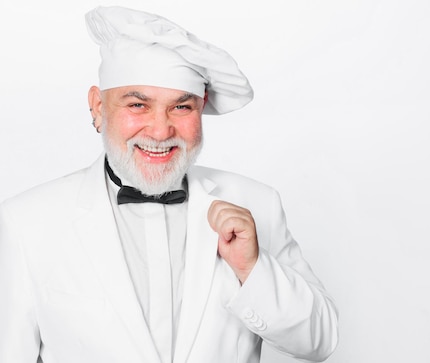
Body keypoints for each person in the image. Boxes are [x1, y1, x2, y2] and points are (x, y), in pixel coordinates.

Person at [0, 6, 338, 363]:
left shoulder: (256, 203)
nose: (161, 131)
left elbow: (319, 341)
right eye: (137, 105)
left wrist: (252, 268)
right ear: (98, 107)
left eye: (181, 108)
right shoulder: (25, 223)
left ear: (201, 107)